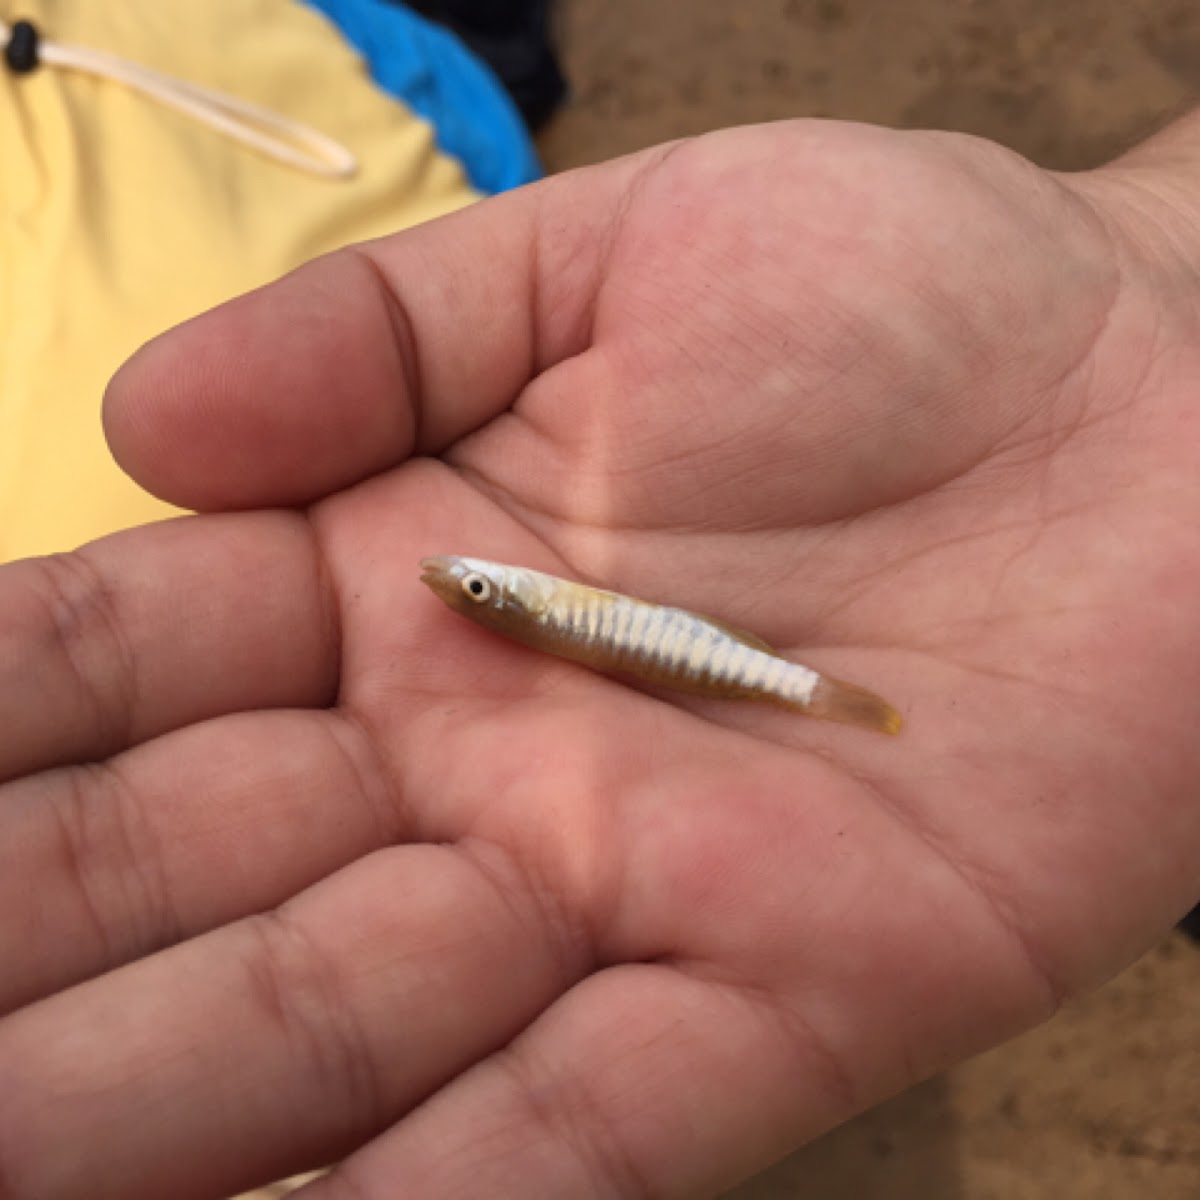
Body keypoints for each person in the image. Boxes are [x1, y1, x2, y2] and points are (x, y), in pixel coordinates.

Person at [1, 108, 1198, 1200]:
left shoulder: (514, 595)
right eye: (474, 588)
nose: (462, 585)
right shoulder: (515, 603)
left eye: (471, 586)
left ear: (499, 594)